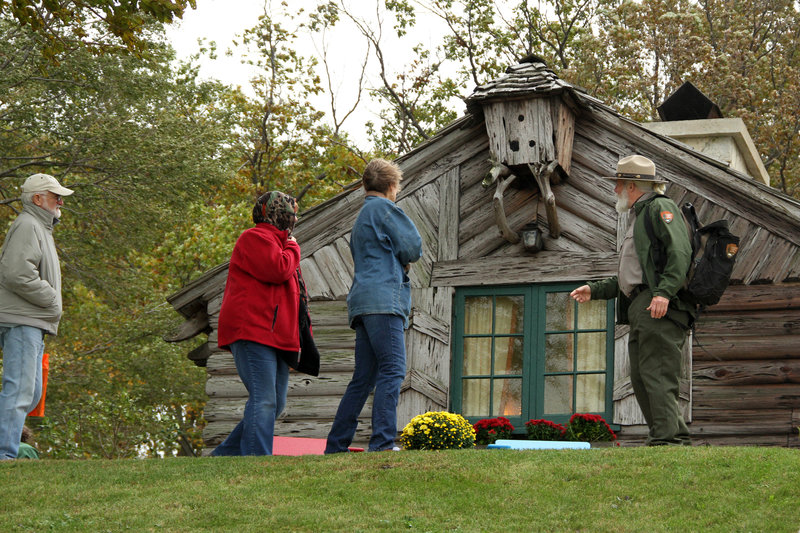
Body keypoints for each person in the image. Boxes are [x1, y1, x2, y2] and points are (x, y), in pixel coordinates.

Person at [570, 155, 694, 446]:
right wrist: (596, 289)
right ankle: (672, 437)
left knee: (658, 374)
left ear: (632, 185)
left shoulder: (660, 207)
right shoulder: (639, 216)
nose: (615, 190)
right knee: (642, 377)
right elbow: (634, 275)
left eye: (618, 184)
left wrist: (664, 293)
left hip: (658, 305)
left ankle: (666, 442)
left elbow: (680, 252)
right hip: (643, 305)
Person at [325, 159, 423, 453]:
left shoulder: (362, 216)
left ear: (366, 185)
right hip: (384, 301)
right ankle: (381, 442)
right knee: (392, 370)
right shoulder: (385, 209)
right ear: (392, 186)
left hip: (362, 302)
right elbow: (413, 248)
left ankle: (336, 444)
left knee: (363, 377)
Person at [211, 191, 301, 456]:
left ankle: (224, 455)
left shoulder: (279, 242)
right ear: (276, 214)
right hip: (252, 330)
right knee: (264, 399)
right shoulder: (254, 238)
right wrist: (294, 246)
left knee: (276, 401)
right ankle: (257, 460)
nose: (294, 218)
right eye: (290, 213)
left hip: (275, 335)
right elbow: (278, 269)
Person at [0, 173, 73, 460]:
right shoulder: (29, 225)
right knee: (19, 391)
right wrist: (52, 299)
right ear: (37, 199)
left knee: (29, 394)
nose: (60, 202)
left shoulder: (39, 227)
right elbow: (16, 273)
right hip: (23, 319)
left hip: (31, 320)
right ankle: (5, 455)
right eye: (55, 197)